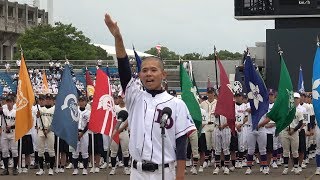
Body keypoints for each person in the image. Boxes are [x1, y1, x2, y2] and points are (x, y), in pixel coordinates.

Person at [105, 13, 196, 180]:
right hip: (137, 172)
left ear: (163, 74)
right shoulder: (134, 97)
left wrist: (181, 175)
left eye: (153, 70)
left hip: (164, 171)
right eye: (144, 70)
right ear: (140, 75)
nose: (148, 74)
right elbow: (124, 67)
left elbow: (182, 141)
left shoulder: (177, 104)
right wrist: (118, 37)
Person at [280, 92, 303, 175]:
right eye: (294, 98)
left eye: (297, 98)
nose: (295, 100)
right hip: (285, 131)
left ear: (298, 100)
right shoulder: (285, 110)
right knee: (285, 151)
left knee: (295, 151)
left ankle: (296, 167)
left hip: (294, 132)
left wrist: (294, 130)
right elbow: (280, 120)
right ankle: (286, 167)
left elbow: (301, 122)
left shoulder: (298, 111)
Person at [109, 95, 130, 175]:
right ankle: (113, 168)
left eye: (123, 98)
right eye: (120, 98)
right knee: (113, 151)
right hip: (115, 132)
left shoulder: (128, 108)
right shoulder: (115, 108)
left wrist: (119, 129)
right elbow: (111, 119)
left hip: (124, 132)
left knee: (125, 151)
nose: (121, 99)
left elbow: (128, 121)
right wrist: (115, 130)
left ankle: (126, 168)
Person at [36, 94, 56, 176]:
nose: (48, 100)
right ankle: (41, 169)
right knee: (40, 151)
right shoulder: (41, 109)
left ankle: (51, 169)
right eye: (46, 99)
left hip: (50, 131)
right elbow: (37, 118)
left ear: (52, 100)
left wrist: (48, 130)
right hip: (41, 130)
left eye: (50, 99)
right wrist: (37, 114)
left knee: (51, 150)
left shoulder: (55, 109)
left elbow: (55, 122)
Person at [71, 96, 90, 175]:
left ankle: (85, 169)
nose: (81, 102)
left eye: (83, 101)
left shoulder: (88, 112)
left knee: (85, 152)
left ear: (85, 102)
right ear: (78, 102)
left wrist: (82, 133)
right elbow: (72, 122)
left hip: (84, 133)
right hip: (75, 132)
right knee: (75, 152)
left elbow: (88, 124)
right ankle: (75, 169)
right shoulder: (75, 111)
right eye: (80, 101)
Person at [0, 95, 18, 175]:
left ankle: (15, 168)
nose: (8, 103)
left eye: (10, 101)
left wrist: (11, 126)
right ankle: (6, 169)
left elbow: (18, 123)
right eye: (7, 101)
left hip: (13, 132)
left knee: (14, 151)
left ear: (13, 102)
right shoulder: (3, 109)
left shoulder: (16, 111)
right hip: (4, 133)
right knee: (4, 151)